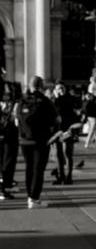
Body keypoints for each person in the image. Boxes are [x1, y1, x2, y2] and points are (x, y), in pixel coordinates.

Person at [16, 76, 59, 208]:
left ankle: (30, 196)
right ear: (41, 86)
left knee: (29, 168)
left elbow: (16, 121)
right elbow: (57, 120)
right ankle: (34, 198)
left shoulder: (21, 101)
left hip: (24, 141)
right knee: (38, 170)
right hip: (40, 140)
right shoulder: (45, 101)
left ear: (29, 85)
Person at [52, 82, 79, 185]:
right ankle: (60, 175)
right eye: (58, 89)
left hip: (68, 129)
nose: (61, 90)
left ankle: (69, 176)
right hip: (57, 130)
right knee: (58, 154)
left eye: (62, 88)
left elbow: (76, 111)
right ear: (55, 90)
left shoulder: (70, 99)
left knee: (67, 153)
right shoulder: (54, 100)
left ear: (65, 88)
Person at [0, 80, 19, 199]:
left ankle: (6, 184)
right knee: (3, 162)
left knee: (8, 160)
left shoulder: (13, 103)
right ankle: (2, 188)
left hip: (10, 133)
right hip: (3, 133)